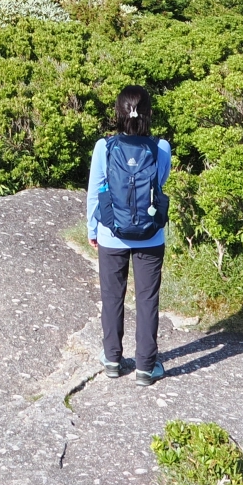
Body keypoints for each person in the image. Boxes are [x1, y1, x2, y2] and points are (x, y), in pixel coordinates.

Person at [85, 84, 171, 383]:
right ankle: (146, 367)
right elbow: (159, 182)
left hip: (112, 233)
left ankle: (112, 359)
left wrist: (92, 229)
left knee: (112, 297)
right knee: (147, 299)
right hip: (151, 236)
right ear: (148, 113)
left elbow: (95, 192)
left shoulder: (103, 146)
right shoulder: (161, 147)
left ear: (118, 113)